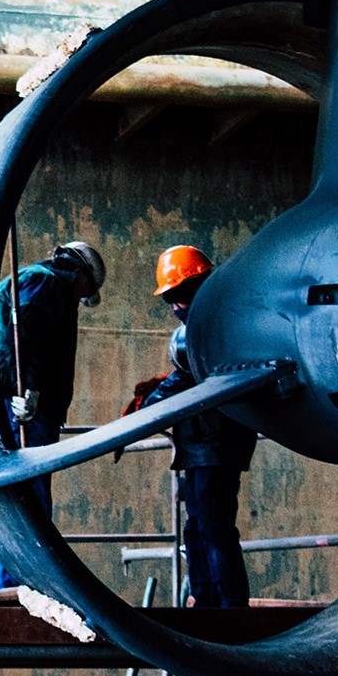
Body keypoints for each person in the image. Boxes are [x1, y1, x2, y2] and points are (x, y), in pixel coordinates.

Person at [0, 240, 106, 598]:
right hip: (22, 407)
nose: (82, 300)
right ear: (80, 274)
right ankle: (20, 588)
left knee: (5, 493)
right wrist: (31, 388)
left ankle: (2, 586)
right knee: (27, 498)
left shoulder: (36, 280)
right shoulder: (48, 283)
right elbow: (26, 334)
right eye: (87, 291)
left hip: (13, 401)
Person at [141, 245, 257, 608]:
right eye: (170, 299)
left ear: (201, 286)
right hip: (201, 444)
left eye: (180, 296)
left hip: (216, 443)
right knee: (197, 526)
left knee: (213, 525)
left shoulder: (216, 328)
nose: (176, 307)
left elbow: (185, 378)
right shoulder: (212, 325)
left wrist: (147, 408)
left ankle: (228, 608)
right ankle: (207, 601)